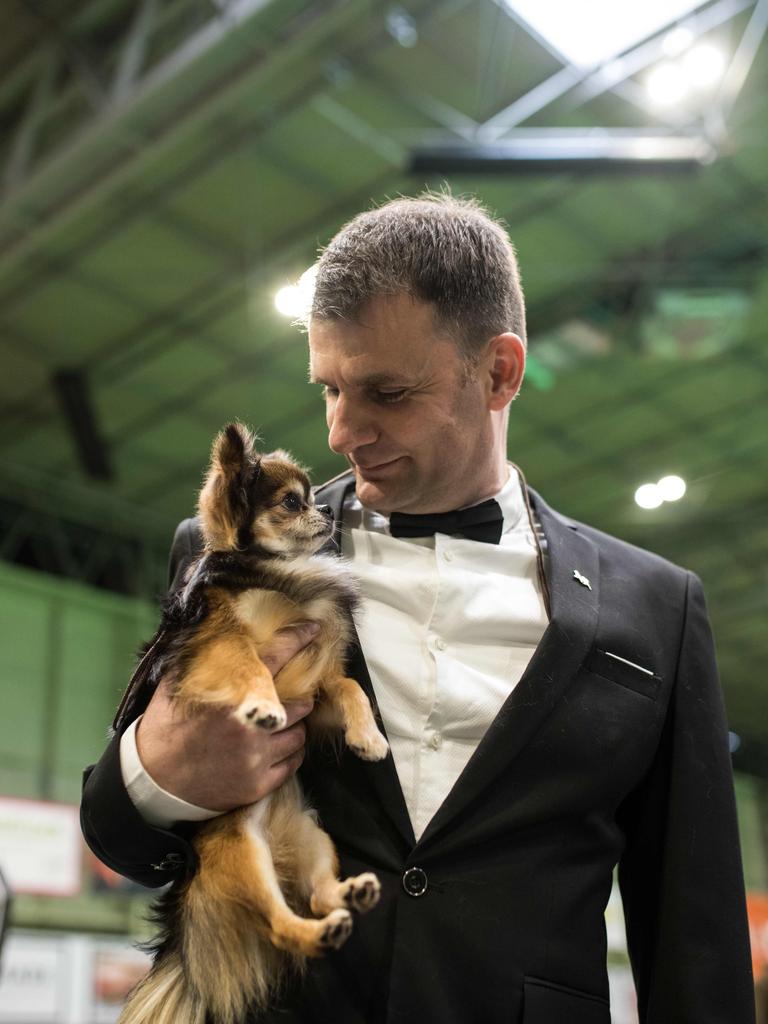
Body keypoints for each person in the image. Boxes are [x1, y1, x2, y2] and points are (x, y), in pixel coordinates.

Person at [81, 194, 755, 1024]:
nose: (340, 430)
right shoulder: (230, 550)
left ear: (501, 372)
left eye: (386, 393)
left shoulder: (657, 607)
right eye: (328, 387)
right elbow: (117, 834)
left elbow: (695, 936)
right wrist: (165, 771)